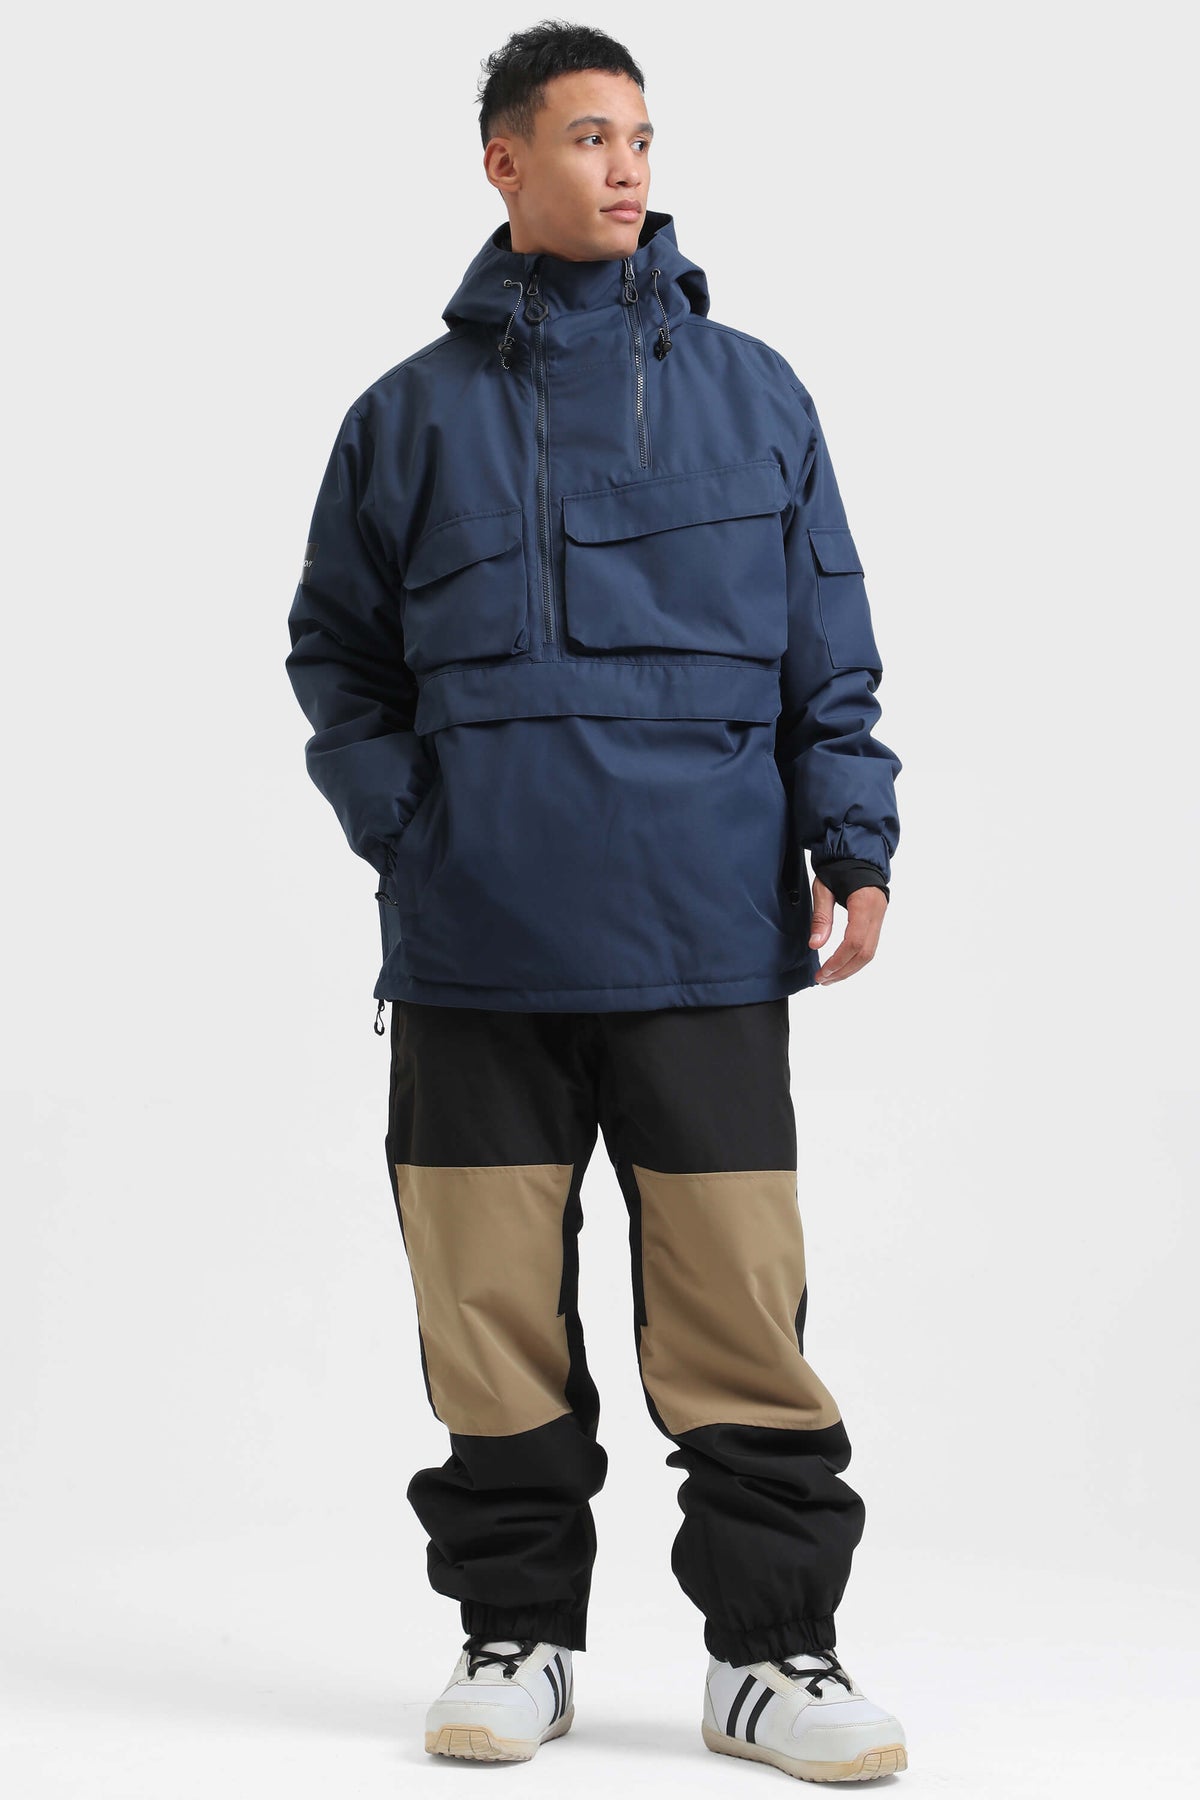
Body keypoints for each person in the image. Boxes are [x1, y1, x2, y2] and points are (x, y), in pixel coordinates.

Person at [284, 19, 906, 1785]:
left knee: (738, 1314)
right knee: (486, 1311)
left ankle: (771, 1655)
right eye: (585, 136)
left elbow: (828, 652)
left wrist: (853, 842)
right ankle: (518, 1636)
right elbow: (337, 656)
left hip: (707, 938)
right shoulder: (403, 416)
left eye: (640, 137)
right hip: (476, 946)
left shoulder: (756, 392)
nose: (625, 167)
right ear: (504, 162)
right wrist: (418, 832)